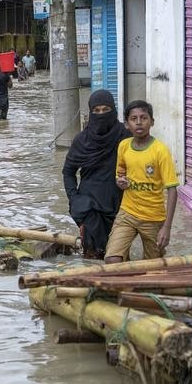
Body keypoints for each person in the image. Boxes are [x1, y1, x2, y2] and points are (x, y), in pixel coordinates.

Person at [104, 100, 179, 264]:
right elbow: (120, 174)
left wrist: (167, 227)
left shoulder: (160, 151)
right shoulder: (124, 146)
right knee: (112, 260)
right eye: (134, 118)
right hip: (127, 213)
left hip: (153, 218)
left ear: (152, 122)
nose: (139, 122)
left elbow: (172, 190)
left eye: (144, 118)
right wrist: (120, 181)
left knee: (153, 269)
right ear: (126, 124)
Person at [62, 90, 131, 260]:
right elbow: (68, 171)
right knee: (93, 256)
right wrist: (74, 197)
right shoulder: (82, 140)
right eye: (96, 111)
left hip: (120, 203)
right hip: (89, 205)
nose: (101, 114)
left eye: (105, 110)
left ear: (114, 110)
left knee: (119, 256)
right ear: (91, 112)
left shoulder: (126, 137)